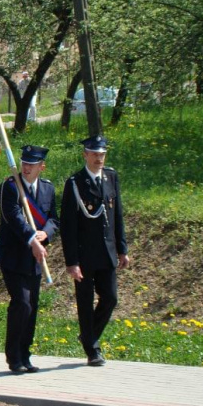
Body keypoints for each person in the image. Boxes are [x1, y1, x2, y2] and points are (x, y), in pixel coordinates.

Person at [60, 135, 130, 366]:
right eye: (95, 154)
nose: (99, 158)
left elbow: (116, 214)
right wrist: (72, 261)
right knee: (85, 301)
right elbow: (68, 227)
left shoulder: (111, 177)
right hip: (84, 254)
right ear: (85, 155)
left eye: (102, 154)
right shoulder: (75, 183)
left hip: (107, 251)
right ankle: (92, 350)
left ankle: (89, 335)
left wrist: (122, 248)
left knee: (110, 297)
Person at [0, 146, 59, 374]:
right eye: (24, 163)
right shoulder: (10, 186)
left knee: (32, 306)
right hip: (13, 255)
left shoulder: (48, 189)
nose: (27, 167)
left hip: (35, 256)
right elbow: (12, 217)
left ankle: (25, 354)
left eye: (32, 164)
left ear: (42, 166)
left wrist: (45, 234)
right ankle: (13, 357)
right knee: (21, 302)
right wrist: (32, 238)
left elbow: (53, 219)